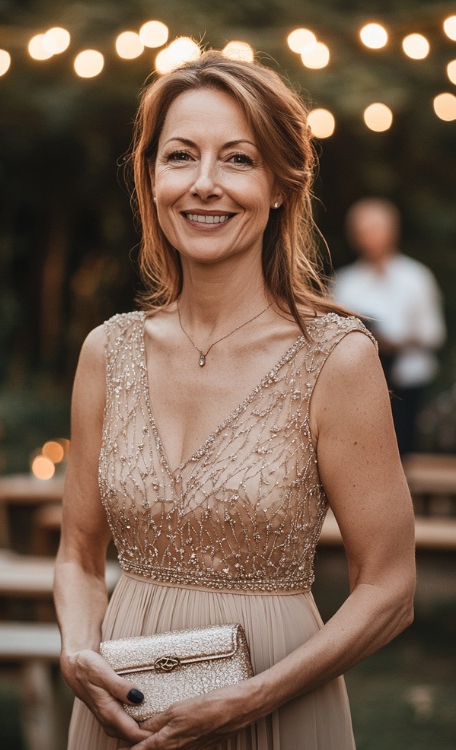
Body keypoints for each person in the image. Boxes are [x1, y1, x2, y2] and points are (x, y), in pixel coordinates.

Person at [54, 50, 416, 750]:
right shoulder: (109, 351)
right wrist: (78, 651)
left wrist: (250, 701)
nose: (206, 185)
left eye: (239, 160)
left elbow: (390, 589)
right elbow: (76, 553)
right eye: (181, 157)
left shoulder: (336, 358)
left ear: (282, 184)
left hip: (279, 710)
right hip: (120, 716)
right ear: (152, 178)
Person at [333, 198, 445, 456]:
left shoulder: (416, 278)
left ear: (392, 230)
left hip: (407, 383)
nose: (367, 237)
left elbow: (433, 333)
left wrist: (394, 343)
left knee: (403, 452)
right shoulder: (346, 282)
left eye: (374, 228)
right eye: (361, 230)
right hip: (359, 385)